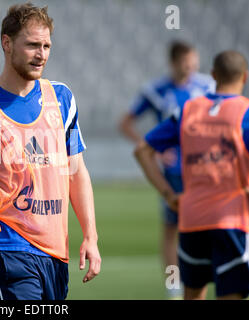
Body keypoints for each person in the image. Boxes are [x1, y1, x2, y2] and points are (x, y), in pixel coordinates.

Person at [0, 3, 101, 300]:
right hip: (8, 247)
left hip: (56, 252)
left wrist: (90, 235)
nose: (41, 54)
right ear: (7, 43)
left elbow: (77, 173)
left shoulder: (62, 100)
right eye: (32, 45)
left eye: (46, 46)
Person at [134, 50, 249, 300]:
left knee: (193, 294)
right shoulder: (245, 112)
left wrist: (168, 194)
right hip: (231, 220)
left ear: (213, 75)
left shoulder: (188, 110)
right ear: (245, 77)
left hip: (192, 218)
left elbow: (142, 151)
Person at [118, 40, 215, 299]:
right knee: (172, 228)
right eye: (185, 63)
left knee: (204, 225)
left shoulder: (207, 86)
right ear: (173, 63)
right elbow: (126, 122)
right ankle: (174, 282)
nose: (190, 68)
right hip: (173, 171)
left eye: (193, 63)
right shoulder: (156, 90)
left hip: (204, 169)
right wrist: (155, 148)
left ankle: (207, 276)